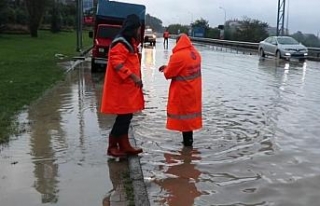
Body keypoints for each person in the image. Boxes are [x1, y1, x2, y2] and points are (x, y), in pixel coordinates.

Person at [101, 14, 144, 157]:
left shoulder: (129, 42)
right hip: (121, 88)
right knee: (123, 118)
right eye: (138, 29)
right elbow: (116, 63)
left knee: (126, 116)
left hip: (127, 88)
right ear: (133, 28)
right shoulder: (121, 43)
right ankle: (112, 146)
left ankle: (124, 145)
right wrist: (133, 76)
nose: (139, 32)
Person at [159, 33, 202, 147]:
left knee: (184, 119)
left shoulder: (178, 56)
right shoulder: (196, 54)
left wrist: (165, 69)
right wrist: (168, 67)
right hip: (194, 92)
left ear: (178, 42)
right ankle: (189, 149)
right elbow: (183, 70)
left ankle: (187, 149)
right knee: (190, 119)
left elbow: (168, 74)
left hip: (183, 92)